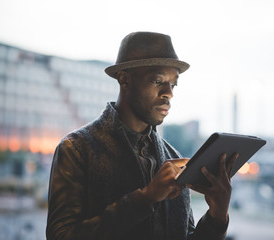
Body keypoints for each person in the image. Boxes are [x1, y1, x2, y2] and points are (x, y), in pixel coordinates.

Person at [46, 31, 239, 240]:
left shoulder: (172, 157)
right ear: (124, 79)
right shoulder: (77, 149)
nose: (169, 93)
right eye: (158, 81)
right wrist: (145, 198)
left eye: (173, 84)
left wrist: (217, 216)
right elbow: (61, 236)